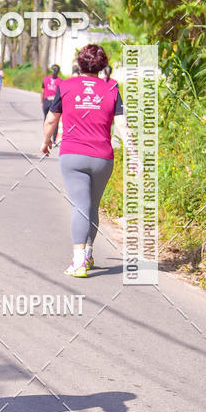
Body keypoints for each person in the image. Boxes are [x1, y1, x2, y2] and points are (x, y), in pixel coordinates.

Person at [40, 44, 137, 278]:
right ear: (102, 65)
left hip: (73, 155)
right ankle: (88, 253)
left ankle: (78, 262)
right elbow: (123, 125)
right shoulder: (112, 88)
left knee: (80, 206)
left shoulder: (65, 86)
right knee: (92, 206)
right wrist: (134, 154)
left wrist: (46, 141)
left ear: (79, 63)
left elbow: (52, 119)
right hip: (103, 157)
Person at [40, 64, 61, 144]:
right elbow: (43, 91)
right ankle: (52, 139)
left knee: (47, 120)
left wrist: (42, 102)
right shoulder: (60, 81)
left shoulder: (46, 79)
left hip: (48, 101)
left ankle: (48, 138)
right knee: (54, 120)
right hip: (53, 101)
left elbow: (42, 91)